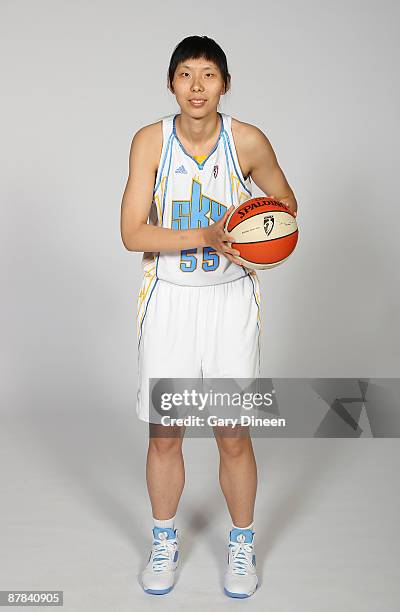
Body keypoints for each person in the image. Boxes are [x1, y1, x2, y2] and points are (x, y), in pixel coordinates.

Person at [120, 35, 298, 599]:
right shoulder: (151, 142)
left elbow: (286, 204)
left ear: (225, 83)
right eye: (185, 75)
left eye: (209, 75)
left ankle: (241, 545)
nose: (197, 87)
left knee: (232, 432)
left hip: (228, 299)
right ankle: (165, 540)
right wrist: (208, 233)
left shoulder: (247, 141)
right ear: (171, 83)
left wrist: (255, 232)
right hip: (170, 296)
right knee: (165, 432)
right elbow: (131, 233)